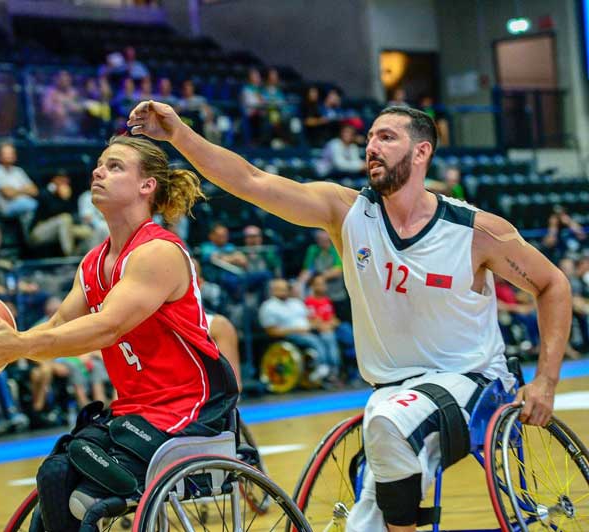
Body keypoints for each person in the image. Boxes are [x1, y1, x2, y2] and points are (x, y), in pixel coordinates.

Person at [127, 101, 571, 532]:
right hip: (392, 391)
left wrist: (546, 382)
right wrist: (179, 135)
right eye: (369, 138)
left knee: (388, 423)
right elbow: (250, 179)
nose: (371, 147)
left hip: (471, 382)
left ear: (422, 152)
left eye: (387, 137)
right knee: (368, 504)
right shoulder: (346, 212)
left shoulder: (476, 231)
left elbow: (553, 286)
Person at [0, 135, 239, 531]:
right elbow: (57, 328)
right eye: (100, 164)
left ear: (147, 186)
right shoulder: (93, 262)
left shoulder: (158, 252)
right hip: (135, 411)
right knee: (55, 476)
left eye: (115, 166)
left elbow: (108, 327)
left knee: (90, 499)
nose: (97, 171)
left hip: (187, 407)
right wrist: (4, 348)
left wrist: (19, 345)